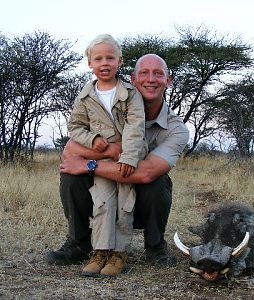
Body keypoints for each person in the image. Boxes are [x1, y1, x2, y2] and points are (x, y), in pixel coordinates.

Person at [46, 53, 189, 275]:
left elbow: (146, 173)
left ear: (168, 81)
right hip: (102, 194)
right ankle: (79, 242)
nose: (150, 79)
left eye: (158, 74)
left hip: (138, 197)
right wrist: (111, 151)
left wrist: (89, 165)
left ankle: (155, 245)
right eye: (144, 73)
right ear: (133, 78)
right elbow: (71, 148)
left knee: (158, 181)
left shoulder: (177, 128)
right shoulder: (107, 104)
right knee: (70, 177)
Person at [60, 34, 147, 277]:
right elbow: (76, 126)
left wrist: (129, 157)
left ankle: (119, 253)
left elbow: (135, 125)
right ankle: (100, 251)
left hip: (127, 158)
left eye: (110, 57)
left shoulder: (130, 93)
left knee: (124, 203)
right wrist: (93, 141)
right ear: (90, 63)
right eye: (98, 58)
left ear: (119, 61)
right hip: (101, 159)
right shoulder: (85, 95)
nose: (104, 62)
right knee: (102, 202)